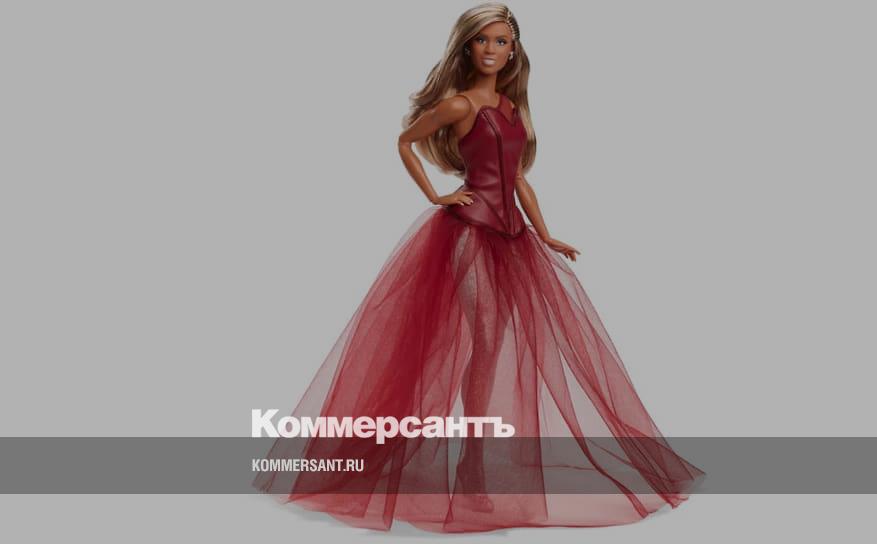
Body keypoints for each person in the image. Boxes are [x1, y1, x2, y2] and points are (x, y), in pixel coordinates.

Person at [253, 2, 705, 533]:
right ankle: (470, 464)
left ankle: (475, 459)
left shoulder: (510, 107)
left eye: (501, 41)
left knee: (496, 344)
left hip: (512, 238)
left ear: (514, 51)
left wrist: (545, 233)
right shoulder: (460, 104)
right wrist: (436, 195)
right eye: (483, 40)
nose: (492, 49)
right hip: (468, 233)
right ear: (467, 47)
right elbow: (405, 141)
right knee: (486, 338)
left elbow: (519, 180)